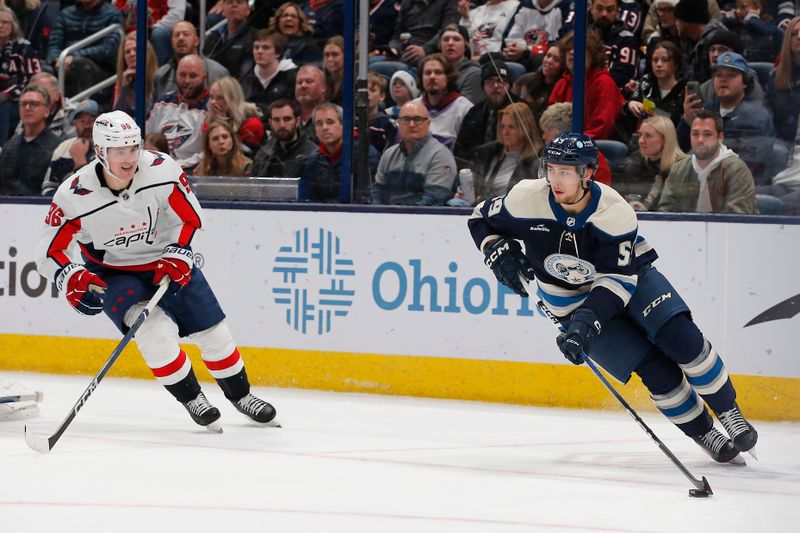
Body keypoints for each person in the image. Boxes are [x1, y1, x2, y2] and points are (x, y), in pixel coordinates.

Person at [468, 131, 759, 464]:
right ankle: (703, 431)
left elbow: (617, 281)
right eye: (551, 169)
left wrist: (585, 323)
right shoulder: (525, 198)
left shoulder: (614, 212)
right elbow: (479, 218)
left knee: (680, 338)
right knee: (653, 370)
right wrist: (494, 248)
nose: (555, 179)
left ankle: (729, 413)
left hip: (629, 278)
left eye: (566, 171)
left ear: (587, 173)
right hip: (567, 298)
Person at [33, 110, 277, 430]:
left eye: (134, 148)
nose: (129, 158)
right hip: (113, 275)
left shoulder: (161, 169)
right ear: (100, 152)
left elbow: (189, 217)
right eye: (120, 151)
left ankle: (241, 396)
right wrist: (71, 276)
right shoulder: (74, 194)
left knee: (213, 332)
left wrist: (178, 251)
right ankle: (193, 398)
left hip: (165, 261)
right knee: (153, 332)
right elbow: (48, 252)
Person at [679, 51, 775, 183]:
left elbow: (746, 167)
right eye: (718, 75)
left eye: (731, 75)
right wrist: (687, 123)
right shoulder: (705, 110)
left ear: (745, 83)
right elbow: (679, 154)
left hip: (738, 188)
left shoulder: (756, 117)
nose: (723, 79)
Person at [660, 109, 758, 213]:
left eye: (707, 134)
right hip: (686, 229)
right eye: (695, 134)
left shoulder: (737, 170)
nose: (700, 140)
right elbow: (665, 213)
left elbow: (737, 219)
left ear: (720, 137)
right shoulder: (679, 169)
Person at [372, 100, 457, 205]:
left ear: (428, 123)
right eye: (406, 119)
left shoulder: (440, 155)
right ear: (398, 123)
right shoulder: (388, 154)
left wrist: (403, 216)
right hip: (388, 217)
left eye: (418, 119)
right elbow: (377, 193)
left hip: (426, 219)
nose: (411, 125)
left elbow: (435, 197)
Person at [461, 102, 543, 205]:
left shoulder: (536, 162)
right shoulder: (488, 154)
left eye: (511, 127)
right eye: (503, 126)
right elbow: (476, 191)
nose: (505, 132)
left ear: (526, 128)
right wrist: (466, 195)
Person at [548, 31, 625, 140]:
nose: (572, 52)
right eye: (569, 49)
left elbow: (602, 127)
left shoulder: (604, 83)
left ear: (593, 55)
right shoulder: (561, 84)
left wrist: (574, 143)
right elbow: (549, 122)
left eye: (579, 48)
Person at [46, 0, 123, 99]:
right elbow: (54, 44)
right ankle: (48, 109)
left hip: (100, 67)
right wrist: (57, 59)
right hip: (64, 62)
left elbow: (108, 49)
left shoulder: (112, 14)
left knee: (79, 64)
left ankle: (82, 109)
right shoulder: (65, 14)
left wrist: (73, 56)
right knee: (41, 68)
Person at [303, 102, 379, 202]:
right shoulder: (313, 161)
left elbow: (371, 197)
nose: (324, 128)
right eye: (319, 124)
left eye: (330, 122)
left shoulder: (365, 155)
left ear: (344, 125)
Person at [146, 54, 209, 171]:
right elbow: (146, 136)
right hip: (156, 169)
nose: (187, 80)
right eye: (182, 75)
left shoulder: (211, 108)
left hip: (190, 174)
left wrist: (175, 167)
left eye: (193, 76)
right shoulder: (163, 102)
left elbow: (208, 153)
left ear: (204, 77)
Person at [618, 115, 687, 211]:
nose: (641, 141)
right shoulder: (635, 161)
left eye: (648, 136)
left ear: (665, 140)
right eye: (640, 135)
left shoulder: (683, 168)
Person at [0, 84, 58, 195]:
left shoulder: (57, 148)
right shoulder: (9, 147)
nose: (27, 108)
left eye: (34, 104)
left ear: (47, 111)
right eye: (23, 104)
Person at [454, 60, 515, 165]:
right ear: (483, 86)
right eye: (490, 81)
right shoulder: (474, 112)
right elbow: (460, 150)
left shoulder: (522, 111)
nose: (496, 86)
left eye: (501, 81)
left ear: (509, 85)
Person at [538, 102, 613, 185]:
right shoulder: (550, 158)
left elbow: (601, 195)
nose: (543, 137)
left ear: (556, 134)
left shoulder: (595, 163)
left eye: (544, 132)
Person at [152, 21, 229, 102]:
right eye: (177, 35)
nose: (181, 38)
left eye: (186, 34)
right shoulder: (160, 76)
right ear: (171, 42)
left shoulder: (219, 73)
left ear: (197, 41)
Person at [622, 40, 686, 134]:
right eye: (655, 60)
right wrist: (630, 104)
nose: (659, 64)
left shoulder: (683, 90)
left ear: (675, 64)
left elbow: (674, 121)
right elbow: (627, 108)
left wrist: (647, 109)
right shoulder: (645, 83)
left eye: (665, 60)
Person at [415, 53, 474, 151]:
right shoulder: (413, 107)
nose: (432, 77)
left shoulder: (464, 109)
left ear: (448, 77)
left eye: (438, 72)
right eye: (427, 73)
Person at [41, 99, 100, 196]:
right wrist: (65, 202)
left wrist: (80, 161)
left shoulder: (109, 150)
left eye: (92, 120)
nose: (87, 126)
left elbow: (96, 193)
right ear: (75, 124)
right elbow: (48, 188)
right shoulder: (63, 148)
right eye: (82, 121)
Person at [250, 98, 317, 178]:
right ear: (270, 123)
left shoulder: (312, 155)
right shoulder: (264, 154)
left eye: (287, 119)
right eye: (276, 120)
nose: (282, 125)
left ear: (297, 121)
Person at [240, 30, 297, 116]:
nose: (259, 51)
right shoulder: (248, 76)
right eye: (256, 47)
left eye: (265, 48)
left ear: (277, 53)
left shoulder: (292, 76)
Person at [206, 76, 264, 155]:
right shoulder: (209, 121)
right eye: (211, 97)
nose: (213, 102)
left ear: (233, 99)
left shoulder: (252, 124)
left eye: (220, 97)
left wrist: (221, 123)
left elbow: (234, 157)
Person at [114, 0, 185, 65]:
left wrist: (150, 29)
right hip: (129, 34)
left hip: (156, 32)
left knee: (158, 34)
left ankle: (159, 74)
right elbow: (115, 13)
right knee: (115, 37)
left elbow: (176, 16)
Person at [202, 0, 256, 79]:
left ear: (248, 11)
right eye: (230, 2)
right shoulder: (213, 37)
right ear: (223, 11)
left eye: (239, 2)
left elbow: (247, 77)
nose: (234, 5)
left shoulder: (254, 37)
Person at [113, 32, 157, 118]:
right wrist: (125, 88)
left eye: (136, 49)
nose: (132, 54)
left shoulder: (159, 77)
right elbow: (116, 119)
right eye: (127, 52)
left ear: (147, 52)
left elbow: (151, 115)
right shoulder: (123, 82)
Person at [513, 45, 563, 120]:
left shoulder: (562, 89)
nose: (549, 61)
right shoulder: (524, 81)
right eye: (548, 56)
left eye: (556, 60)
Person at [438, 23, 482, 104]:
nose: (450, 43)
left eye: (456, 39)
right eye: (446, 39)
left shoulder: (475, 74)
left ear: (465, 46)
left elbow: (465, 109)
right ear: (440, 45)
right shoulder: (433, 71)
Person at [294, 65, 328, 142]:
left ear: (323, 88)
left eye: (309, 81)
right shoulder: (288, 116)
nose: (303, 86)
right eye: (299, 82)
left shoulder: (334, 116)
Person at [366, 72, 397, 154]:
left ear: (382, 96)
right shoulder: (352, 122)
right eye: (364, 90)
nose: (367, 94)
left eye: (372, 90)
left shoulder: (387, 124)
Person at [323, 35, 344, 105]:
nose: (330, 59)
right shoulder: (322, 81)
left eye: (335, 55)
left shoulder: (354, 81)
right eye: (326, 55)